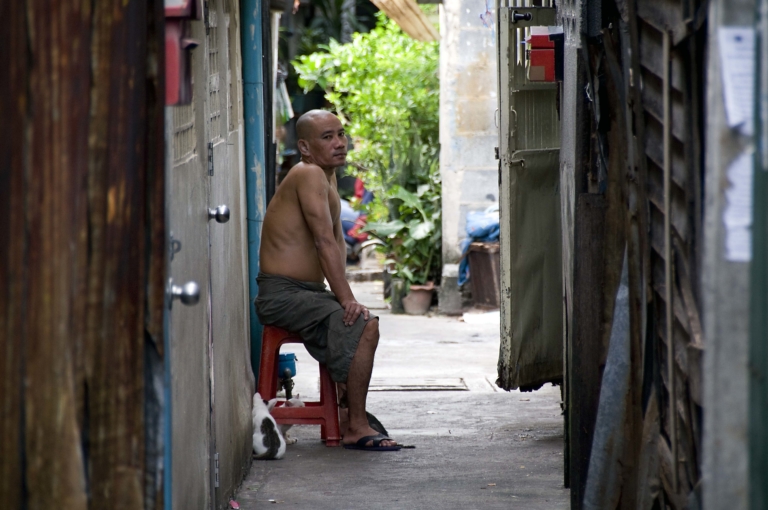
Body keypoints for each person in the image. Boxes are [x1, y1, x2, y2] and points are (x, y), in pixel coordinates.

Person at [256, 110, 399, 451]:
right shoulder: (307, 173)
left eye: (341, 134)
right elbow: (323, 242)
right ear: (305, 147)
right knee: (365, 324)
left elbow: (334, 244)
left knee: (356, 321)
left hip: (309, 293)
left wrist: (341, 297)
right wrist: (347, 299)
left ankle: (348, 411)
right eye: (327, 137)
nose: (339, 143)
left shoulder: (326, 177)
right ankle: (355, 425)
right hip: (283, 295)